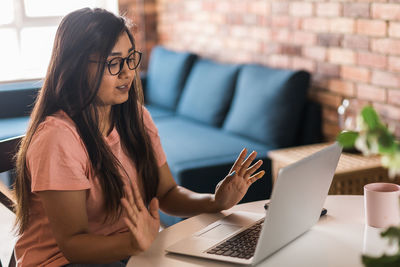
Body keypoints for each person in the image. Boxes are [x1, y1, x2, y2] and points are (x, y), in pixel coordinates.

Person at [13, 7, 265, 267]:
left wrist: (214, 201)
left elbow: (166, 192)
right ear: (76, 67)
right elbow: (73, 245)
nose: (127, 72)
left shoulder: (136, 117)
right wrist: (133, 243)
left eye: (130, 58)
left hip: (126, 251)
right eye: (113, 62)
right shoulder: (57, 138)